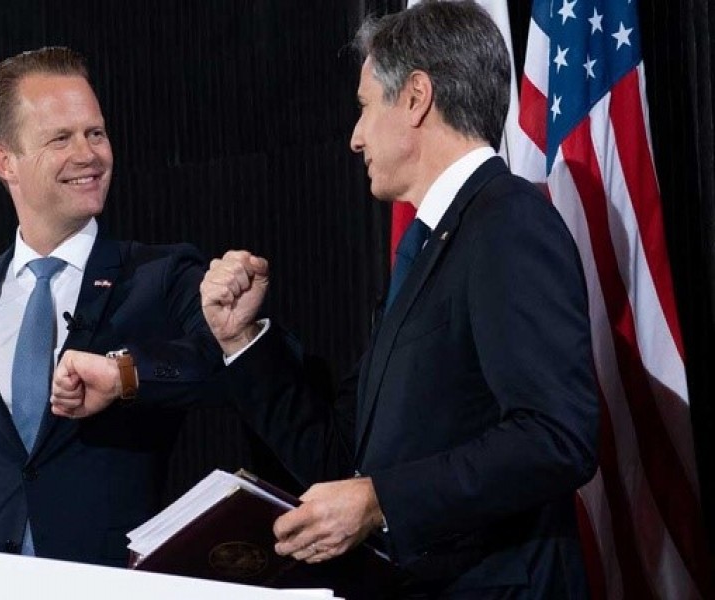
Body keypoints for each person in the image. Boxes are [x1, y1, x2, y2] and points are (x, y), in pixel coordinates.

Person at [199, 2, 599, 598]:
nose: (355, 137)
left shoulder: (507, 221)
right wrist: (241, 340)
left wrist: (380, 500)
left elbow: (556, 436)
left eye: (363, 107)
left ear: (415, 97)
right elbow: (343, 457)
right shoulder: (429, 248)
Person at [0, 46, 221, 567]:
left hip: (111, 581)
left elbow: (219, 365)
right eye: (61, 138)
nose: (88, 154)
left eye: (96, 133)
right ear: (4, 162)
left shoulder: (160, 276)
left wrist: (123, 375)